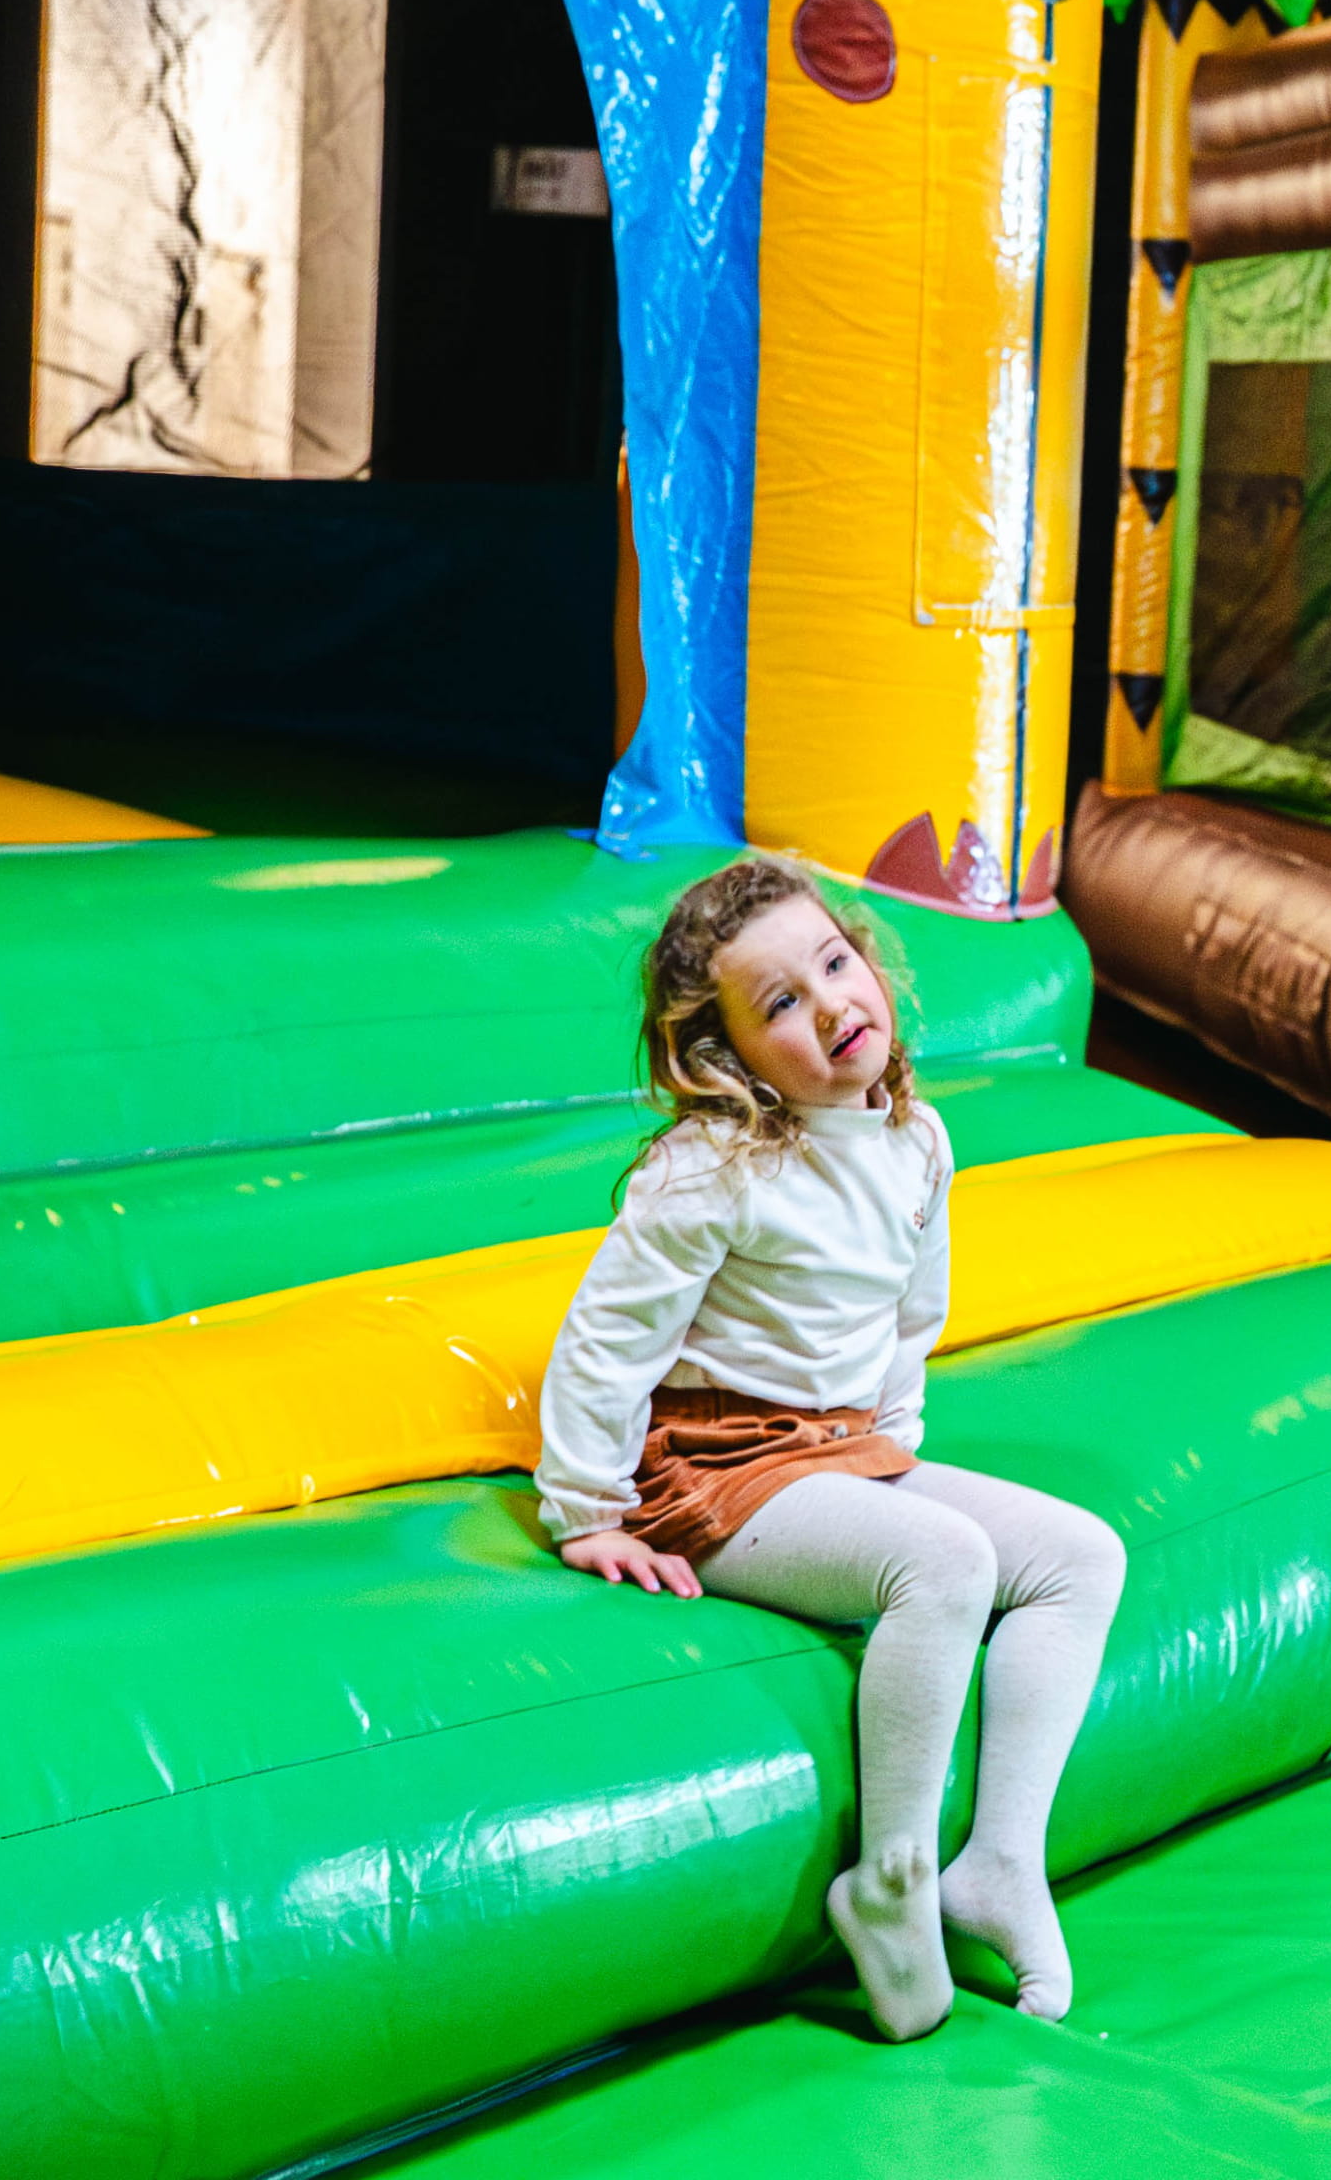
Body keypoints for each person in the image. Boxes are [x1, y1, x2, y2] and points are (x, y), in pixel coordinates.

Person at [534, 854, 1126, 2041]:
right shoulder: (710, 1170)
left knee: (1081, 1557)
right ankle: (891, 1877)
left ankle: (1001, 1859)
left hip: (840, 1449)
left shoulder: (916, 1139)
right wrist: (586, 1508)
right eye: (781, 1004)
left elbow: (911, 1321)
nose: (831, 1004)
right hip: (715, 1467)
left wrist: (895, 1457)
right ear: (729, 1057)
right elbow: (606, 1339)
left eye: (835, 964)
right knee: (945, 1563)